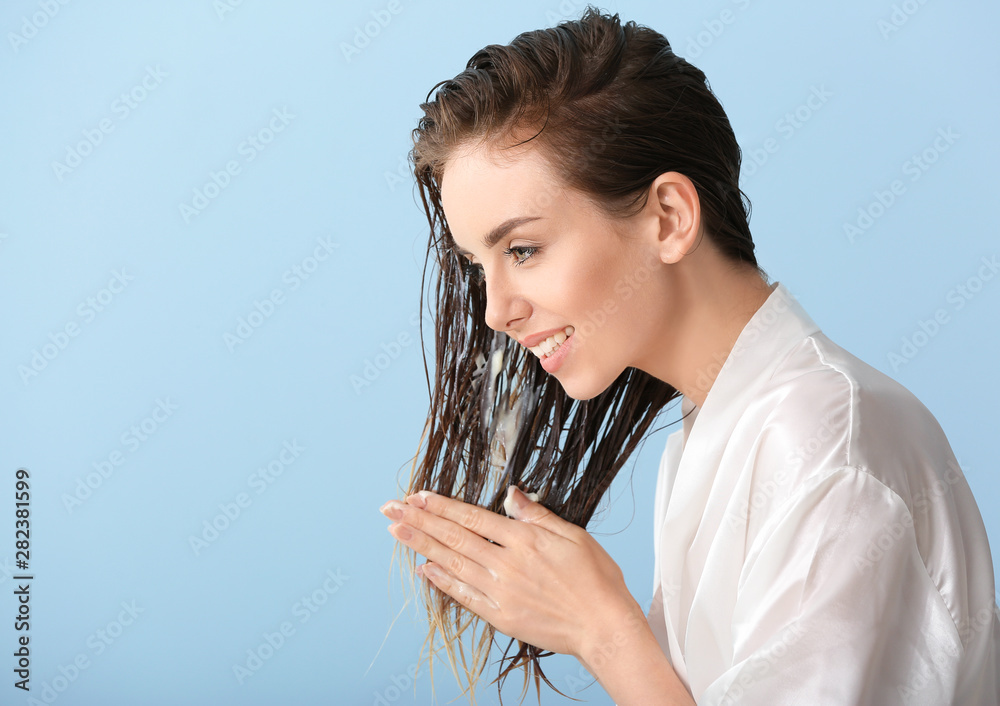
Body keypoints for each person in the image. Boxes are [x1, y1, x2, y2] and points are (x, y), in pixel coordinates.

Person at [379, 6, 1000, 704]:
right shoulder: (724, 429)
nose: (495, 311)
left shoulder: (823, 446)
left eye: (522, 249)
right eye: (478, 264)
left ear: (669, 217)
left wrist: (604, 631)